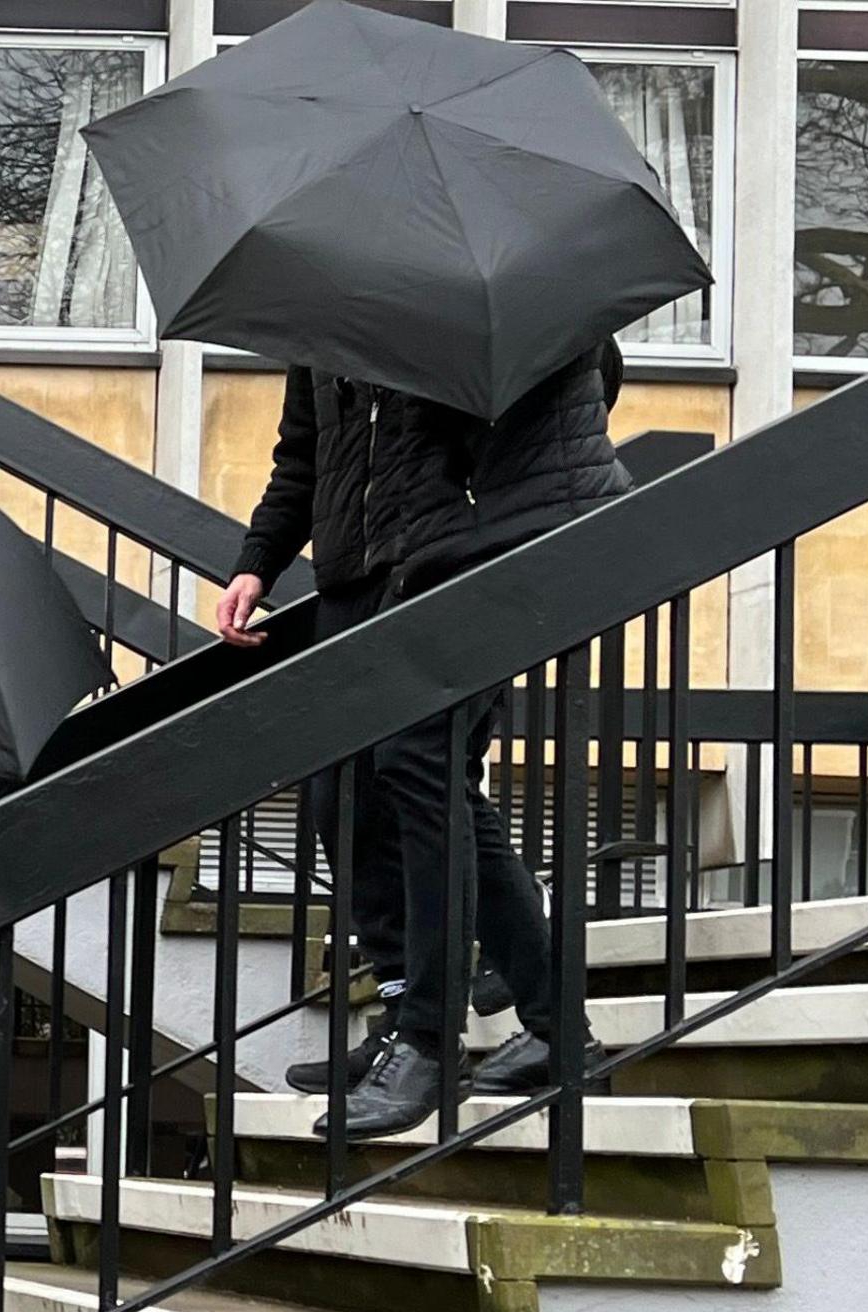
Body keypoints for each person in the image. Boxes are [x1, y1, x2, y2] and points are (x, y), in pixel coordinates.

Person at [215, 341, 628, 1138]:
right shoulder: (326, 318)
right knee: (346, 793)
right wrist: (257, 562)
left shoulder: (488, 295)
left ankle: (432, 1045)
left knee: (417, 764)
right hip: (356, 579)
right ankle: (553, 1031)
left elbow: (578, 404)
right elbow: (303, 456)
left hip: (461, 567)